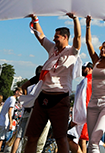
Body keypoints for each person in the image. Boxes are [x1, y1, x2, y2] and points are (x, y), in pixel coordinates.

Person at [24, 12, 82, 153]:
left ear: (65, 37)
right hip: (43, 97)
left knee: (61, 138)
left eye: (57, 37)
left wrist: (75, 19)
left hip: (60, 99)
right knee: (32, 137)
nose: (54, 39)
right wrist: (35, 20)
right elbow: (41, 37)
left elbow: (78, 37)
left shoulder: (72, 51)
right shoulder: (52, 49)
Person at [84, 16, 105, 153]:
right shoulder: (96, 61)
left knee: (94, 141)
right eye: (101, 47)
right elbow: (88, 42)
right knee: (91, 143)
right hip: (93, 104)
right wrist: (88, 25)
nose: (103, 50)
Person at [0, 87, 22, 153]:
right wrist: (10, 123)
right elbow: (10, 111)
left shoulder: (9, 98)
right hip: (4, 122)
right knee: (0, 141)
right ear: (16, 92)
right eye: (20, 93)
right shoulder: (13, 99)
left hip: (0, 121)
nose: (21, 95)